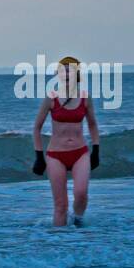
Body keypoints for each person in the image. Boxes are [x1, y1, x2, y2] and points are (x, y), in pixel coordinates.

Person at [32, 56, 100, 226]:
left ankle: (77, 220)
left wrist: (96, 150)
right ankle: (60, 244)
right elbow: (36, 128)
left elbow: (92, 124)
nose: (67, 73)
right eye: (64, 70)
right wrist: (39, 156)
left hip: (80, 153)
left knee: (81, 193)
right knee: (61, 205)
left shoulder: (85, 98)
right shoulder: (51, 98)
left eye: (71, 69)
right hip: (56, 155)